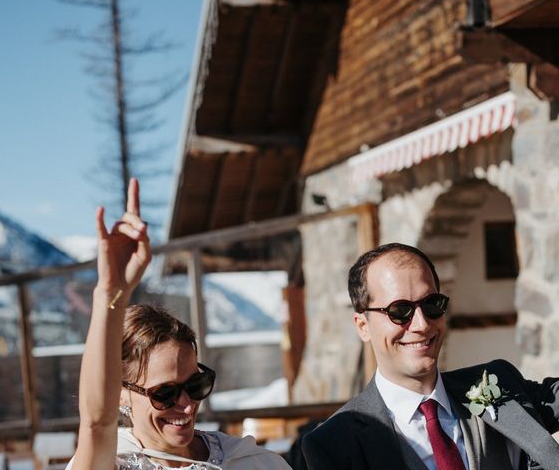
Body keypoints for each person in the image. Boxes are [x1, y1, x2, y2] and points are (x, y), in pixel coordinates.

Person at [67, 178, 292, 470]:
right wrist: (110, 296)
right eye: (165, 394)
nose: (186, 405)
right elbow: (97, 423)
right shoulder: (112, 464)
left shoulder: (252, 463)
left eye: (196, 384)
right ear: (121, 392)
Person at [302, 242, 559, 470]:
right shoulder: (334, 444)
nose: (422, 325)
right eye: (399, 310)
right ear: (363, 326)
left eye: (431, 304)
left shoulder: (499, 383)